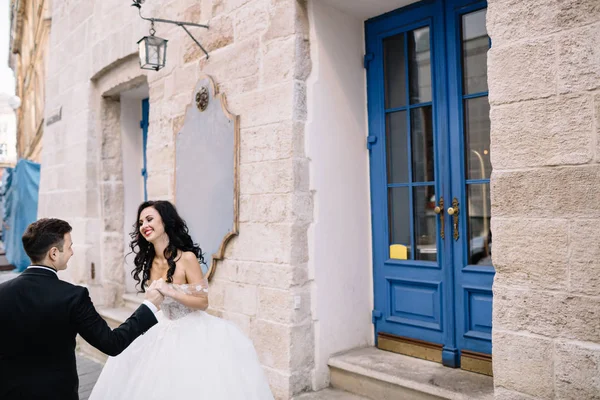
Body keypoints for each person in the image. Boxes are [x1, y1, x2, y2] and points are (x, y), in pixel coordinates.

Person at [89, 200, 274, 399]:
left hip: (191, 330)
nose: (144, 226)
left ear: (165, 222)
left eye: (149, 219)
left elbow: (203, 302)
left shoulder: (186, 258)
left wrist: (171, 291)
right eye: (141, 222)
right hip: (160, 328)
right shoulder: (149, 262)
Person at [0, 218, 164, 400]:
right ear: (54, 253)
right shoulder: (73, 296)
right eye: (69, 246)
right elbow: (111, 343)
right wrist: (149, 305)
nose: (71, 252)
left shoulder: (2, 292)